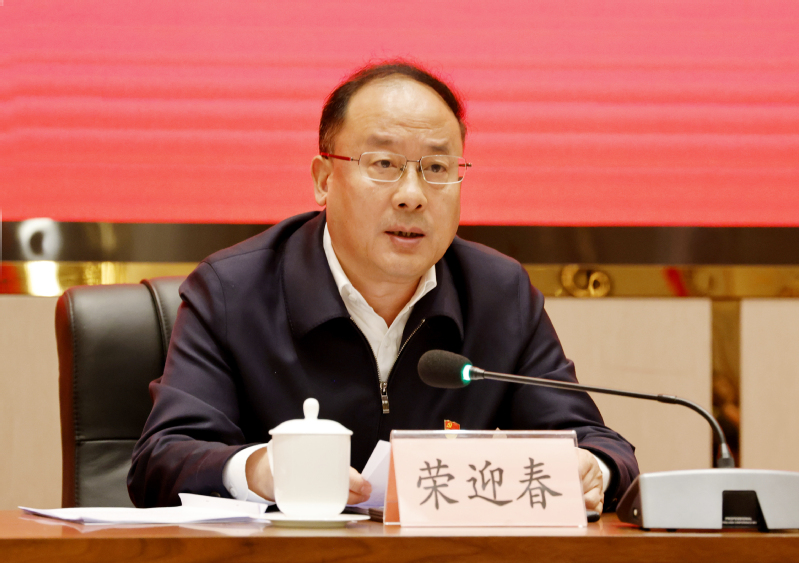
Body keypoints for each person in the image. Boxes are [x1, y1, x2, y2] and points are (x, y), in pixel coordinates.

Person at [128, 61, 638, 513]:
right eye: (384, 164)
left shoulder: (499, 293)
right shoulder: (231, 290)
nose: (412, 195)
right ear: (324, 179)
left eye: (436, 168)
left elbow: (598, 444)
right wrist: (258, 470)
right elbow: (162, 458)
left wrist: (591, 469)